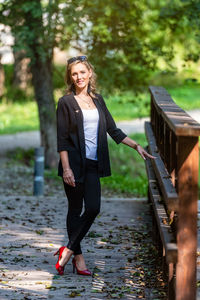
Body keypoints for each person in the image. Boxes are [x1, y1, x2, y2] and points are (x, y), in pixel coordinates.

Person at [54, 55, 154, 276]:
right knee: (74, 209)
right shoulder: (65, 102)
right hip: (74, 164)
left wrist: (136, 146)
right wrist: (67, 169)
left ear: (90, 73)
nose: (79, 77)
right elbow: (61, 140)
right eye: (74, 73)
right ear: (70, 77)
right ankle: (78, 260)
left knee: (93, 208)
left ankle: (68, 250)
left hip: (93, 163)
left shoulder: (98, 100)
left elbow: (113, 130)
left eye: (82, 72)